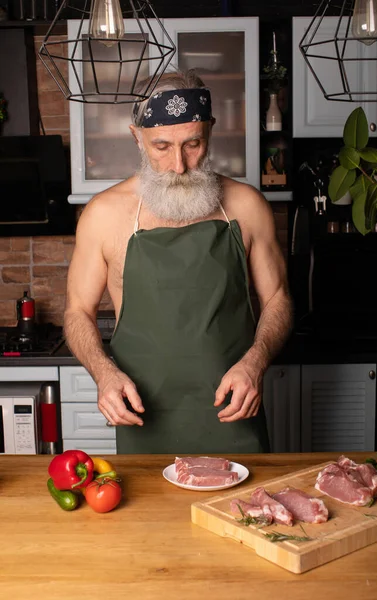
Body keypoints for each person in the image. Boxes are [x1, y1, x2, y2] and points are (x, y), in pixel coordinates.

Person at [64, 69, 293, 454]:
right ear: (136, 137)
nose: (179, 165)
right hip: (141, 411)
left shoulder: (247, 205)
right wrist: (103, 374)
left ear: (210, 131)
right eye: (161, 146)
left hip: (232, 410)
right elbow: (77, 311)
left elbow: (279, 300)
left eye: (193, 144)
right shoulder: (103, 214)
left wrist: (256, 363)